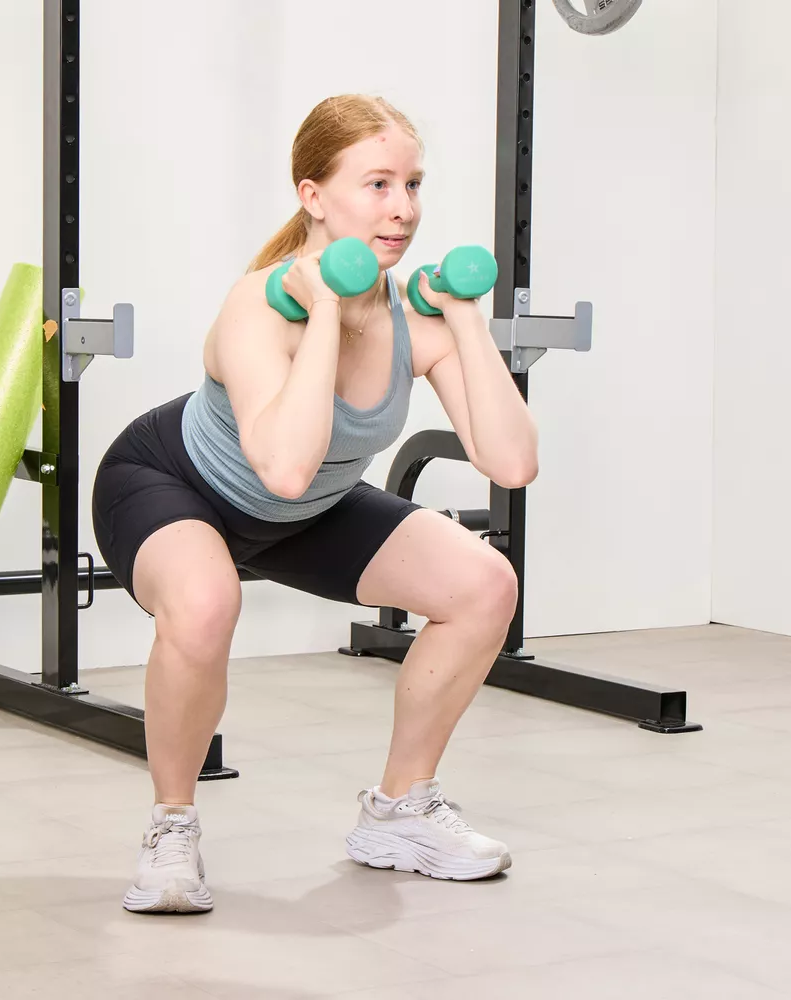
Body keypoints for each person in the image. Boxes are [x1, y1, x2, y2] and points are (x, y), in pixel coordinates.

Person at [90, 94, 539, 914]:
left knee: (485, 585)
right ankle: (172, 828)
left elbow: (511, 461)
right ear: (312, 195)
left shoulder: (416, 316)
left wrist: (470, 323)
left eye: (412, 184)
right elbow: (286, 467)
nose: (403, 209)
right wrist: (328, 305)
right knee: (204, 602)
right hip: (173, 483)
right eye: (377, 184)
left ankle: (399, 812)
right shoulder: (260, 304)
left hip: (300, 512)